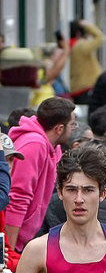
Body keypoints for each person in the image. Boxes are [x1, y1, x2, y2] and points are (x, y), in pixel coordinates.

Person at [7, 97, 74, 253]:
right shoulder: (35, 144)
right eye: (72, 125)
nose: (73, 130)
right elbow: (17, 197)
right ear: (59, 128)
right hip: (14, 242)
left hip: (26, 240)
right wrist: (10, 251)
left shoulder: (53, 146)